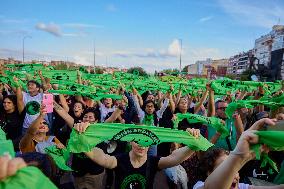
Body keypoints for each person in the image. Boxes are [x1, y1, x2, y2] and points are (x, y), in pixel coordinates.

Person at [73, 122, 201, 189]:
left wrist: (192, 144)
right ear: (129, 141)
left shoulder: (154, 162)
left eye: (145, 140)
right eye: (136, 140)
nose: (141, 145)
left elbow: (174, 158)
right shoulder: (119, 160)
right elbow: (103, 158)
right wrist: (82, 136)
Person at [193, 118, 284, 189]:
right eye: (225, 166)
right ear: (209, 174)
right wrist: (239, 157)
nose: (233, 173)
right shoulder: (199, 186)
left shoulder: (240, 186)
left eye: (236, 169)